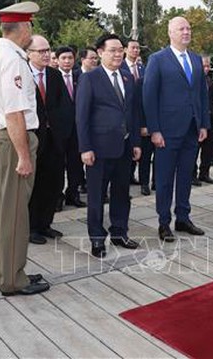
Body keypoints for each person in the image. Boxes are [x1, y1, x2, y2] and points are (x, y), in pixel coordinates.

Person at [0, 0, 49, 296]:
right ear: (23, 28)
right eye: (30, 24)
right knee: (16, 214)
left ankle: (9, 272)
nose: (31, 29)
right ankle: (12, 279)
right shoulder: (14, 60)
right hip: (11, 140)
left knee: (3, 211)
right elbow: (15, 112)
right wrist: (23, 155)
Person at [143, 17, 210, 242]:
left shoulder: (195, 58)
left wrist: (203, 124)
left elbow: (202, 93)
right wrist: (154, 129)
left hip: (192, 129)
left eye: (189, 28)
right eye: (181, 28)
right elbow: (149, 96)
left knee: (185, 177)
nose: (186, 32)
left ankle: (183, 217)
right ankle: (164, 222)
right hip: (167, 131)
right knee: (164, 179)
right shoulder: (158, 59)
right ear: (170, 33)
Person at [76, 33, 142, 258]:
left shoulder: (126, 77)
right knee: (96, 196)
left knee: (122, 193)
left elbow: (132, 112)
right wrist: (85, 148)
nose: (118, 54)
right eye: (112, 50)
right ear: (101, 52)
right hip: (98, 149)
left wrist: (135, 142)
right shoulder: (90, 78)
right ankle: (97, 239)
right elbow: (82, 116)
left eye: (120, 49)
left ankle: (119, 232)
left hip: (124, 147)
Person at [26, 35, 71, 245]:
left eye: (47, 50)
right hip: (33, 139)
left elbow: (65, 107)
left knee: (52, 183)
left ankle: (45, 223)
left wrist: (62, 133)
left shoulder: (54, 75)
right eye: (40, 51)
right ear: (28, 53)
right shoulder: (22, 75)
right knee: (34, 185)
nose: (46, 55)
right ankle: (31, 227)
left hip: (55, 140)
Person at [55, 46, 86, 208]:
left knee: (75, 163)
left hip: (77, 128)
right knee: (59, 164)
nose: (67, 61)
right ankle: (57, 196)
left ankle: (73, 194)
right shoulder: (52, 77)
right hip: (59, 130)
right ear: (58, 60)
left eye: (70, 58)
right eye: (63, 58)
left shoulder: (80, 77)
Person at [122, 39, 146, 187]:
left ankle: (132, 176)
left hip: (140, 113)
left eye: (138, 48)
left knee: (138, 147)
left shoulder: (142, 68)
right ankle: (126, 177)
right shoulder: (120, 67)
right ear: (125, 49)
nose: (136, 51)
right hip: (126, 114)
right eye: (133, 48)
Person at [194, 55, 213, 185]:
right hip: (198, 120)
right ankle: (191, 175)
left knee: (208, 149)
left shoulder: (208, 80)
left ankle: (204, 173)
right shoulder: (193, 80)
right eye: (204, 65)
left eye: (208, 66)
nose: (206, 68)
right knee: (195, 149)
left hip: (209, 117)